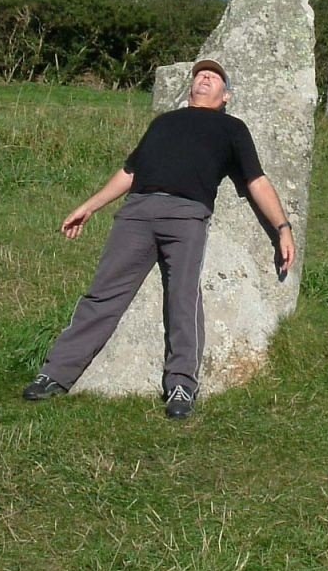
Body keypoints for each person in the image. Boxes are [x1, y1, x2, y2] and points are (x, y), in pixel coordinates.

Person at [22, 60, 295, 419]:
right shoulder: (164, 122)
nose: (204, 77)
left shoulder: (232, 129)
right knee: (103, 293)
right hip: (136, 212)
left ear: (225, 96)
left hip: (187, 215)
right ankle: (54, 374)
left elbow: (256, 181)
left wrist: (282, 228)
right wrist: (89, 207)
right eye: (200, 75)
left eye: (214, 77)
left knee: (182, 296)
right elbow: (130, 172)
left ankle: (182, 386)